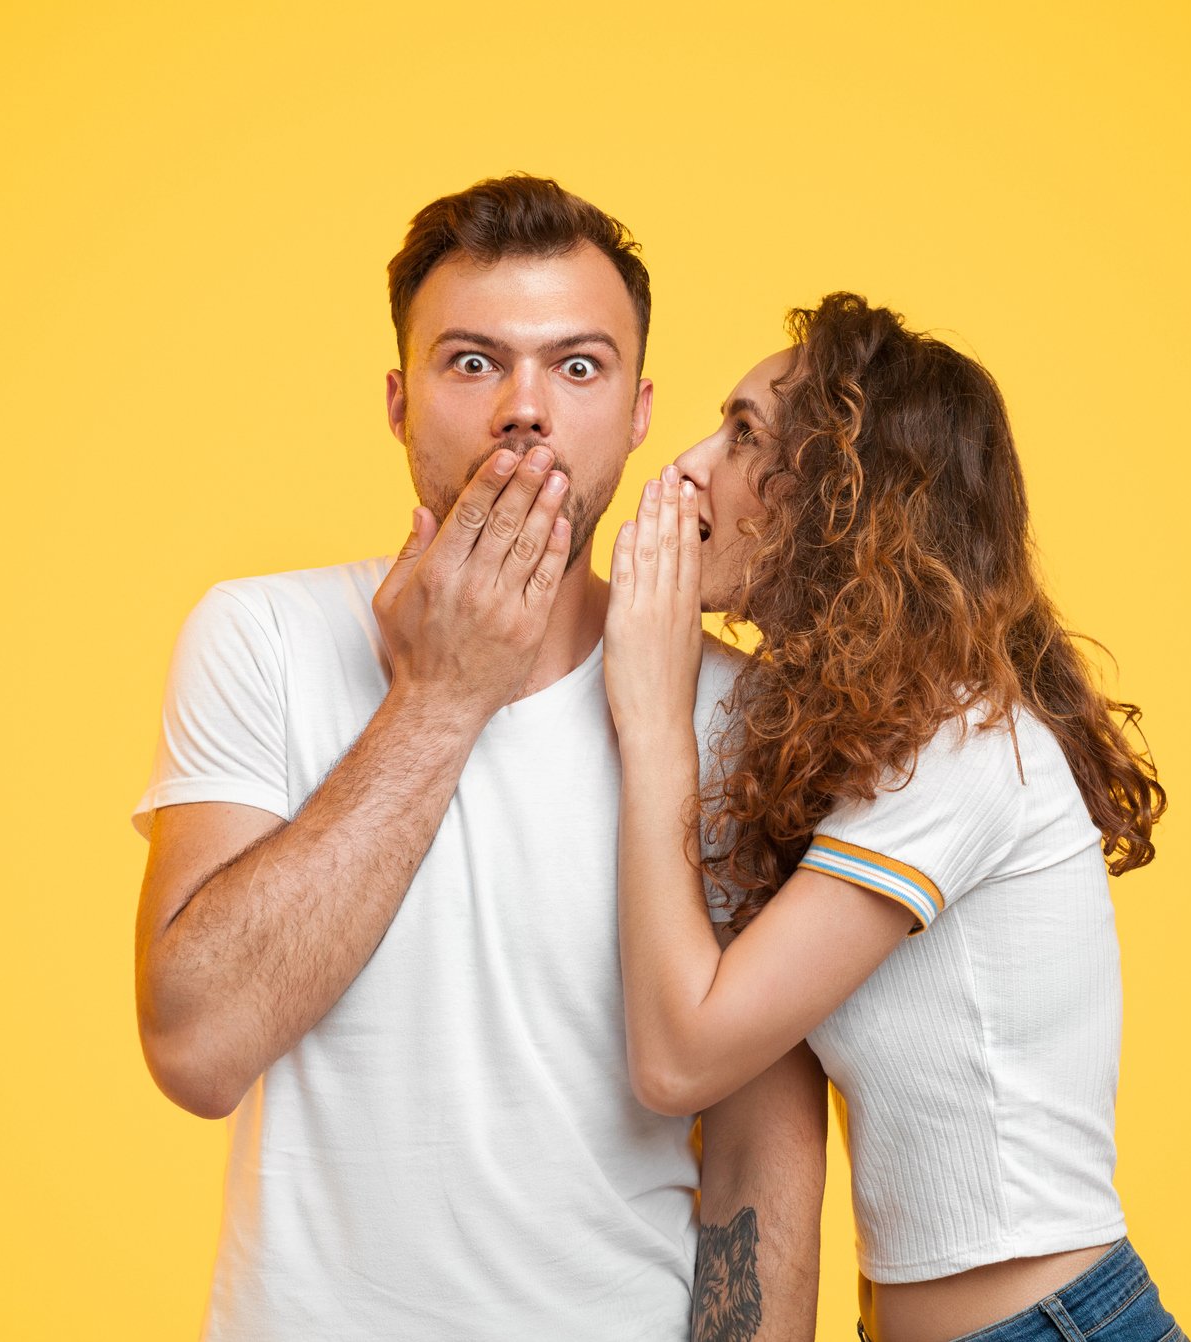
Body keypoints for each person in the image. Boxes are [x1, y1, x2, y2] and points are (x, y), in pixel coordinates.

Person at [129, 175, 826, 1342]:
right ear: (400, 403)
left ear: (641, 408)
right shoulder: (261, 639)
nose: (524, 408)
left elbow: (761, 1146)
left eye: (579, 365)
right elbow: (196, 1048)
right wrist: (442, 697)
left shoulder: (738, 710)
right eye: (470, 363)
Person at [602, 292, 1187, 1342]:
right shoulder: (869, 739)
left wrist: (653, 722)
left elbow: (683, 1056)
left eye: (742, 437)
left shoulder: (957, 749)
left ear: (843, 498)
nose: (691, 465)